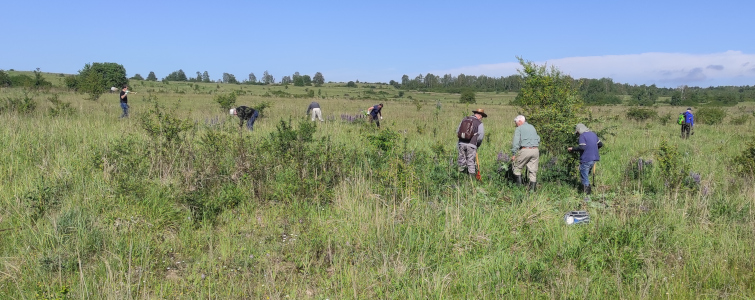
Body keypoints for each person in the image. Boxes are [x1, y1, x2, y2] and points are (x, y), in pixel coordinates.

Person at [568, 123, 603, 195]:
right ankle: (589, 193)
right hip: (594, 159)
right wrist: (593, 150)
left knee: (584, 177)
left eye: (577, 132)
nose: (577, 134)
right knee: (586, 175)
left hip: (586, 159)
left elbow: (582, 147)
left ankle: (587, 196)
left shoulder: (582, 136)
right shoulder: (593, 134)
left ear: (579, 130)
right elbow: (600, 144)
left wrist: (573, 149)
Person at [510, 115, 540, 191]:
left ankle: (519, 190)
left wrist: (514, 154)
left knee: (517, 168)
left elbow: (516, 142)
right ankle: (532, 191)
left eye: (516, 122)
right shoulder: (532, 127)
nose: (515, 124)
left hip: (525, 149)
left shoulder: (519, 129)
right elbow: (538, 138)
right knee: (533, 171)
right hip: (535, 150)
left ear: (520, 121)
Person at [457, 109, 487, 179]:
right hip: (472, 145)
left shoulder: (464, 119)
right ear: (480, 116)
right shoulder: (479, 123)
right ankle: (472, 181)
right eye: (482, 117)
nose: (481, 118)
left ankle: (459, 178)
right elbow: (481, 136)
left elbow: (458, 131)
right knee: (471, 162)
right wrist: (477, 145)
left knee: (461, 160)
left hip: (461, 143)